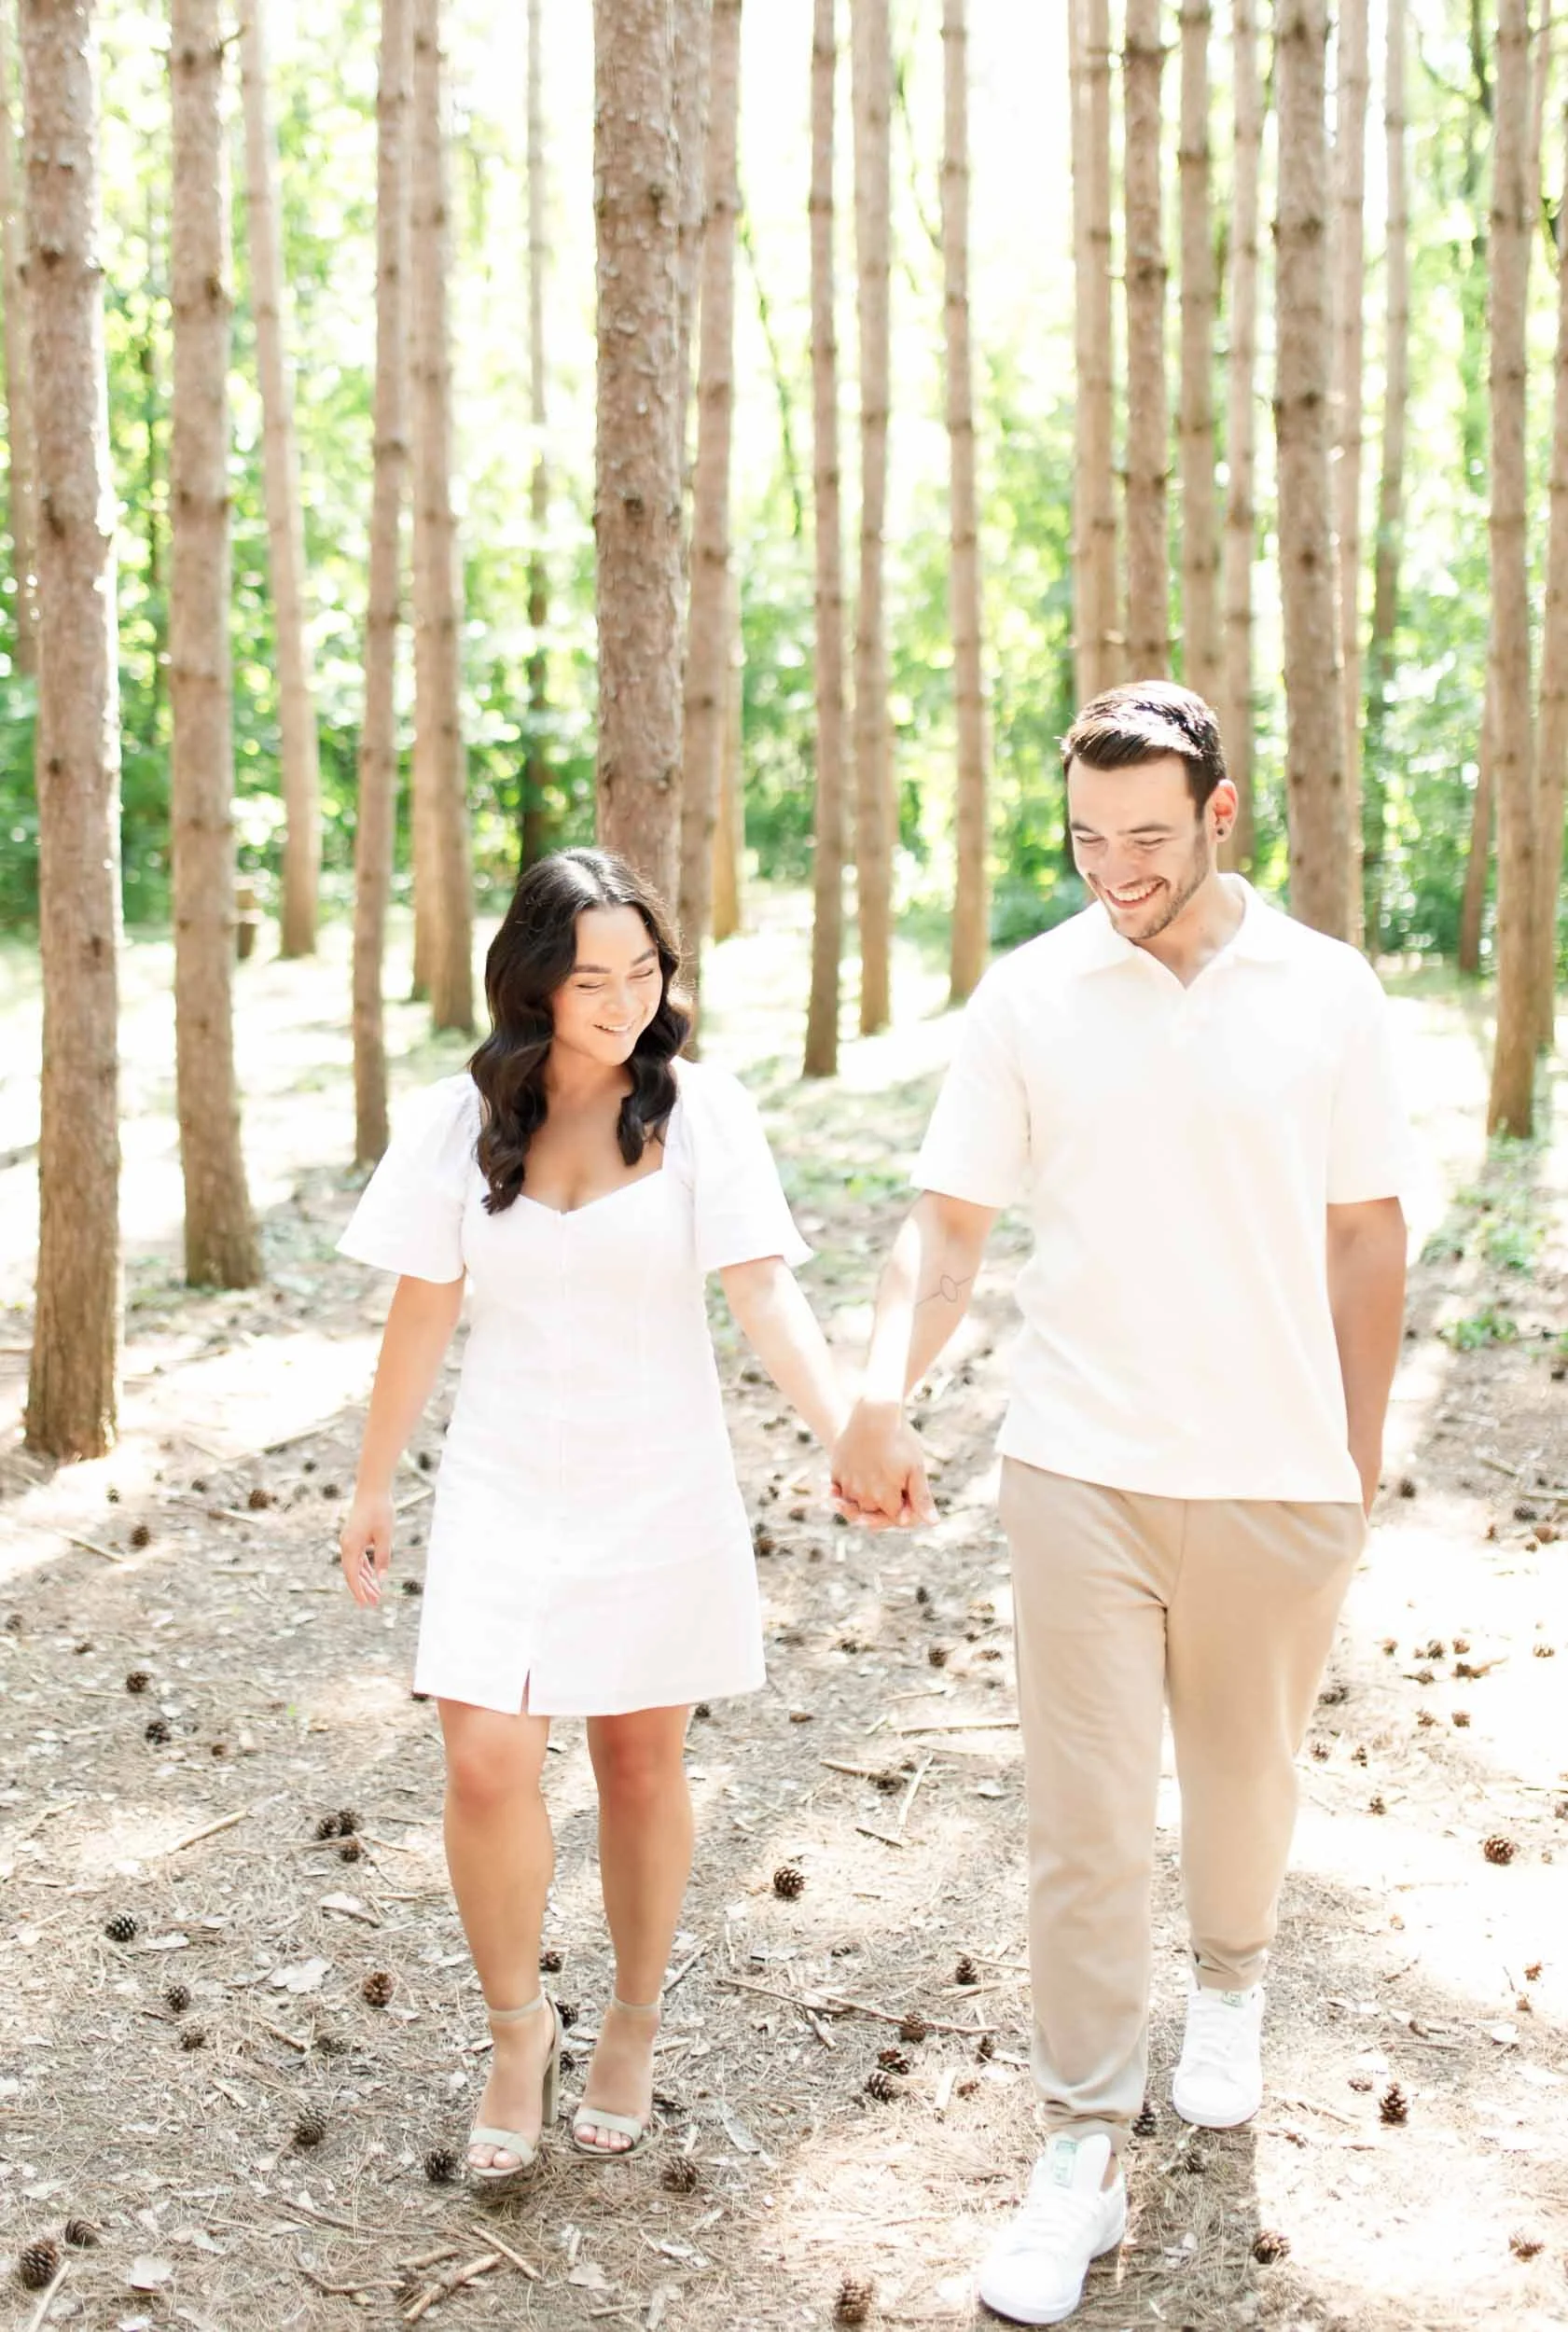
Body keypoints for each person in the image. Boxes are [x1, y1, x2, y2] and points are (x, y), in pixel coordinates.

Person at [832, 683, 1410, 2326]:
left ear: (1224, 817)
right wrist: (885, 1385)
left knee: (1244, 1786)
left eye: (1149, 837)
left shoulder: (1327, 993)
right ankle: (1080, 2150)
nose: (1117, 869)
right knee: (1083, 1824)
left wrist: (1350, 1471)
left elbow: (1368, 1238)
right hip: (1077, 1466)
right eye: (1089, 840)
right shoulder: (1031, 999)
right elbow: (945, 1231)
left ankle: (1231, 1982)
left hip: (1274, 1473)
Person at [337, 847, 845, 2186]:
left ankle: (631, 2019)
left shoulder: (702, 1113)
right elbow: (423, 1305)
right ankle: (520, 2031)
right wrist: (375, 1478)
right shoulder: (465, 1120)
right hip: (504, 1483)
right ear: (536, 988)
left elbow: (763, 1294)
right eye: (593, 979)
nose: (626, 1000)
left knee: (636, 1761)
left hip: (657, 1483)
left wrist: (847, 1425)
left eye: (646, 971)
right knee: (486, 1762)